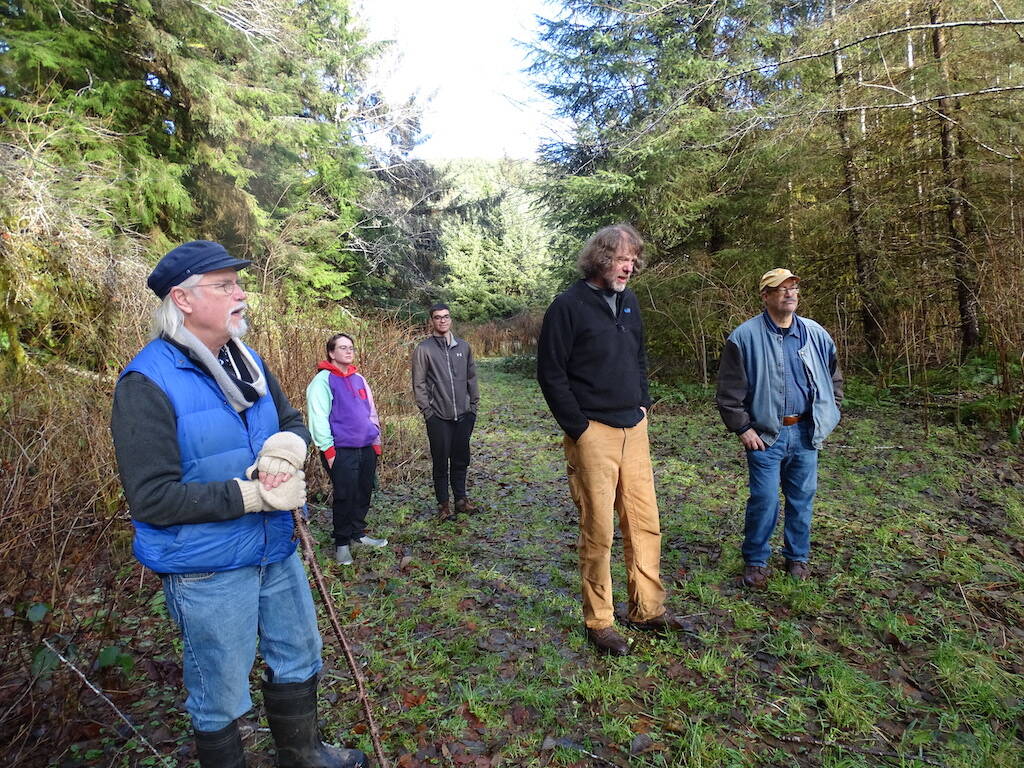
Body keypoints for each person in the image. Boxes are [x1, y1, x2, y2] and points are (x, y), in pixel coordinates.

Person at [110, 241, 367, 768]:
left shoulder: (247, 360)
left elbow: (292, 420)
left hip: (274, 547)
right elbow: (151, 498)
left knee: (299, 654)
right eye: (224, 285)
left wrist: (286, 447)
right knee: (220, 690)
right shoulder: (145, 382)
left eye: (237, 283)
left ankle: (304, 755)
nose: (240, 295)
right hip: (206, 566)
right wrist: (250, 495)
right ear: (182, 299)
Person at [537, 224, 687, 657]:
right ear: (599, 259)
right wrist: (578, 428)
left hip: (634, 429)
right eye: (621, 259)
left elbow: (638, 355)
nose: (628, 267)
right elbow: (551, 373)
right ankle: (600, 620)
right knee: (598, 528)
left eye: (633, 259)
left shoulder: (629, 302)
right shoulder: (567, 306)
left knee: (643, 521)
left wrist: (643, 403)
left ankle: (647, 608)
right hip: (593, 433)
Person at [715, 268, 844, 589]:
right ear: (766, 296)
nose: (789, 293)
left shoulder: (816, 334)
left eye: (793, 288)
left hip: (805, 433)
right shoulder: (744, 337)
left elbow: (834, 379)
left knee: (802, 498)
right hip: (765, 437)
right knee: (765, 499)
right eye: (781, 289)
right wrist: (743, 428)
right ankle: (756, 561)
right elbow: (729, 392)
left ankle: (797, 557)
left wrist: (831, 412)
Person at [306, 332, 388, 566]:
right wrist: (328, 451)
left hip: (366, 446)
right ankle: (342, 543)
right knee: (345, 494)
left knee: (363, 490)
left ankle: (357, 534)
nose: (348, 351)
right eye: (342, 348)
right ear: (331, 353)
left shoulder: (359, 378)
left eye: (351, 347)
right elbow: (318, 418)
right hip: (341, 449)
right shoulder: (322, 381)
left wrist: (376, 440)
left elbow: (370, 411)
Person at [411, 303, 479, 519]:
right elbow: (418, 383)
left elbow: (471, 378)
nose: (442, 320)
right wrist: (427, 412)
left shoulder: (463, 347)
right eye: (438, 317)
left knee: (461, 459)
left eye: (446, 317)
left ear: (451, 319)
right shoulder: (424, 349)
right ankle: (443, 506)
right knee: (441, 462)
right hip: (438, 416)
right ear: (432, 321)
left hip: (464, 414)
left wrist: (473, 407)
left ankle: (461, 500)